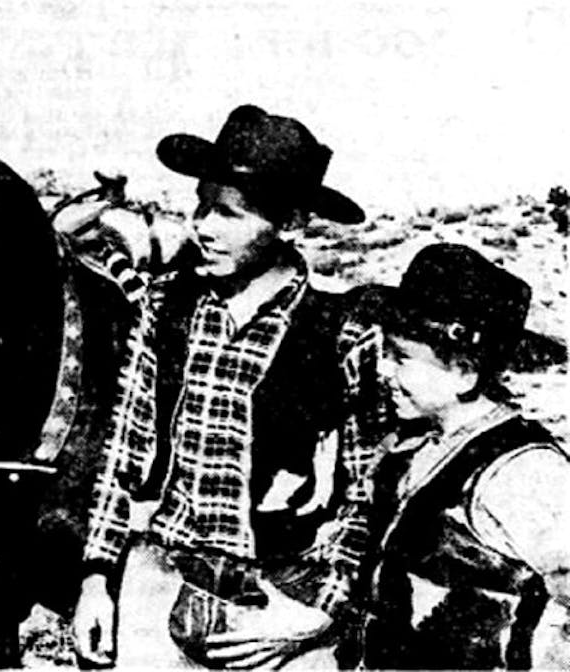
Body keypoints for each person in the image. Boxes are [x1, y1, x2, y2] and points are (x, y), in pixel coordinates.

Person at [72, 104, 382, 669]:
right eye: (200, 206)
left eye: (227, 213)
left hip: (283, 597)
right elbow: (125, 448)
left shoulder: (342, 334)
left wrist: (321, 612)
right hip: (159, 582)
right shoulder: (167, 308)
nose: (202, 228)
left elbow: (364, 488)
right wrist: (96, 580)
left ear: (290, 224)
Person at [354, 243, 570, 669]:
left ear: (465, 372)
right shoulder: (419, 444)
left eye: (401, 358)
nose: (384, 371)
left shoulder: (523, 472)